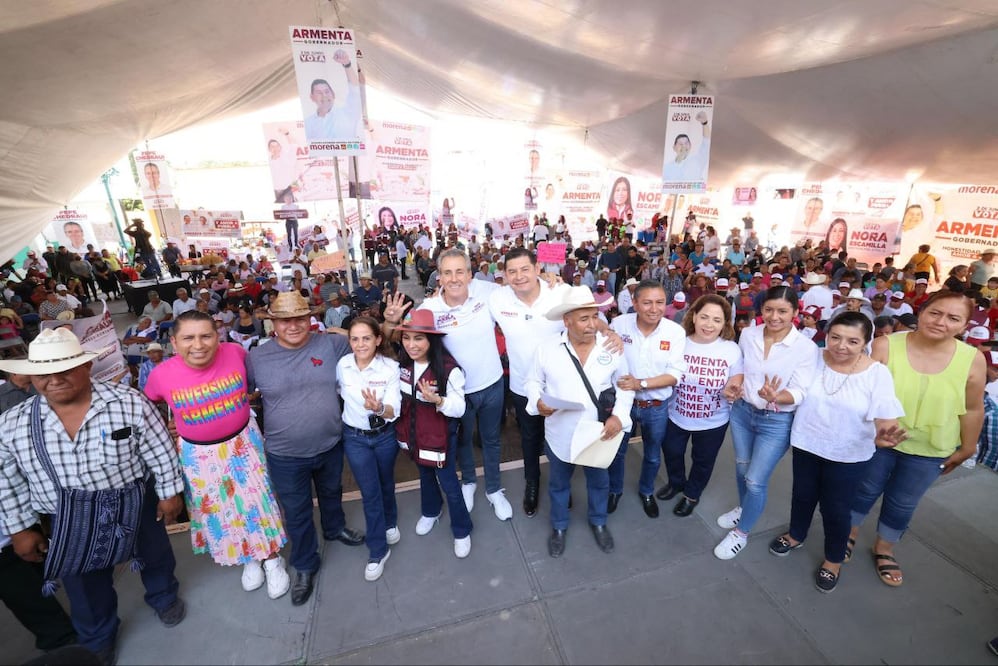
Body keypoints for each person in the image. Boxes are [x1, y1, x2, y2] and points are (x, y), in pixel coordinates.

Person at [0, 328, 187, 664]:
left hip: (134, 502)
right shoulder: (13, 424)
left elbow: (159, 449)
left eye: (64, 370)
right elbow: (6, 479)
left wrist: (170, 492)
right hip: (67, 518)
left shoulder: (127, 402)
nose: (54, 380)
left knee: (155, 555)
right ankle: (98, 635)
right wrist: (20, 527)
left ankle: (164, 597)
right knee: (82, 583)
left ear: (85, 367)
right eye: (44, 374)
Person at [143, 311, 291, 601]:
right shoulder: (161, 374)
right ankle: (248, 557)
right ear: (174, 342)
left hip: (243, 442)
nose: (198, 344)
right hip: (198, 454)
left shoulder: (236, 353)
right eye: (188, 337)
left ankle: (272, 558)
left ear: (218, 336)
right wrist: (167, 426)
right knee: (223, 509)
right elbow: (151, 402)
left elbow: (250, 387)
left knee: (257, 502)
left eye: (205, 335)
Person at [849, 291, 985, 587]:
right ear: (922, 311)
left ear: (964, 325)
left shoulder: (972, 359)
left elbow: (973, 408)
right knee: (862, 490)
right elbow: (860, 393)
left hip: (931, 449)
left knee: (903, 503)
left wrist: (969, 447)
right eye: (935, 313)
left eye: (953, 318)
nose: (941, 322)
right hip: (878, 442)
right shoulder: (886, 345)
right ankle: (848, 533)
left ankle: (884, 548)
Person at [768, 312, 906, 593]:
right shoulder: (814, 357)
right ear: (827, 335)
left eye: (852, 341)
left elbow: (885, 413)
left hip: (848, 455)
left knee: (836, 509)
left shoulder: (875, 373)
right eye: (835, 337)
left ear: (866, 343)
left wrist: (886, 430)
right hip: (808, 444)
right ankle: (796, 535)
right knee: (802, 496)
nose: (841, 346)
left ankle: (833, 560)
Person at [245, 292, 365, 606]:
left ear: (310, 317)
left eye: (300, 318)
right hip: (284, 454)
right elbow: (236, 394)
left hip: (329, 443)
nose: (294, 325)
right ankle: (305, 565)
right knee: (297, 513)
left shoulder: (331, 345)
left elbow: (368, 342)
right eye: (285, 320)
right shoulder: (256, 358)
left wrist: (347, 329)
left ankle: (335, 528)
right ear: (273, 322)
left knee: (331, 492)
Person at [384, 249, 512, 520]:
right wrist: (390, 322)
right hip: (456, 393)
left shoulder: (488, 292)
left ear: (469, 274)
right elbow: (398, 339)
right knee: (462, 442)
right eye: (447, 273)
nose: (454, 278)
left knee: (491, 440)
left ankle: (494, 490)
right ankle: (468, 482)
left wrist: (550, 281)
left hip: (491, 385)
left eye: (459, 271)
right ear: (438, 276)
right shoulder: (429, 309)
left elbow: (526, 291)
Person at [525, 286, 635, 557]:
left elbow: (625, 386)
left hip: (599, 433)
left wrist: (619, 417)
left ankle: (599, 522)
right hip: (560, 433)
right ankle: (559, 526)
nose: (592, 325)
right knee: (559, 484)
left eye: (594, 317)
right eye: (584, 319)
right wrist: (537, 402)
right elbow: (532, 381)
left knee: (599, 482)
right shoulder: (547, 348)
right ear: (567, 321)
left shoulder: (611, 347)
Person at [713, 285, 821, 560]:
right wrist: (734, 386)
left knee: (755, 480)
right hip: (742, 412)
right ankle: (743, 508)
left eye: (783, 311)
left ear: (795, 313)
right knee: (741, 468)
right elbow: (739, 369)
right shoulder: (749, 334)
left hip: (776, 421)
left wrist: (778, 396)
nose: (775, 316)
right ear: (761, 310)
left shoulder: (806, 347)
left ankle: (742, 532)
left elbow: (800, 390)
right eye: (769, 309)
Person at [394, 309, 473, 557]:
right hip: (415, 437)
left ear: (431, 340)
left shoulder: (449, 370)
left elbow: (459, 409)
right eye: (407, 338)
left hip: (440, 439)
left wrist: (438, 400)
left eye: (418, 338)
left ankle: (462, 529)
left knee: (449, 483)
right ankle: (431, 511)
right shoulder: (402, 366)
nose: (411, 345)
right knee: (424, 476)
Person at [659, 295, 743, 517]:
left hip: (713, 420)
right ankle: (676, 482)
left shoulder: (731, 349)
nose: (709, 324)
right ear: (693, 316)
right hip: (676, 414)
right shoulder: (679, 342)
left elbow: (737, 378)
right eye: (704, 317)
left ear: (725, 323)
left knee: (703, 460)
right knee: (672, 452)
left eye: (717, 320)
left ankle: (692, 494)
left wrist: (732, 389)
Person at [608, 280, 687, 518]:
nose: (655, 309)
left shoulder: (675, 332)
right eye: (647, 302)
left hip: (656, 407)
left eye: (660, 302)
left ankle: (646, 491)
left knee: (652, 454)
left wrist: (639, 384)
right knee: (617, 452)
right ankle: (614, 490)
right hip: (624, 403)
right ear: (634, 303)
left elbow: (674, 375)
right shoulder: (619, 324)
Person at [336, 317, 401, 582]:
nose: (360, 344)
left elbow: (393, 410)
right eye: (354, 338)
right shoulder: (343, 365)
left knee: (386, 483)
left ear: (378, 340)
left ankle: (390, 522)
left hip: (385, 436)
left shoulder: (390, 368)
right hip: (355, 438)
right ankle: (378, 550)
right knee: (370, 492)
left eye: (366, 338)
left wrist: (377, 408)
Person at [302, 49, 362, 142]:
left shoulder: (349, 113)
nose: (324, 95)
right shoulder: (307, 123)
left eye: (327, 91)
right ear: (312, 97)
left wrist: (347, 64)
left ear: (333, 94)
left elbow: (355, 89)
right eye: (319, 93)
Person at [662, 110, 711, 185]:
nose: (684, 146)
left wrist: (704, 123)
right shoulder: (667, 168)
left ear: (690, 146)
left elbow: (706, 141)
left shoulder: (698, 160)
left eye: (686, 143)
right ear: (674, 147)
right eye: (680, 144)